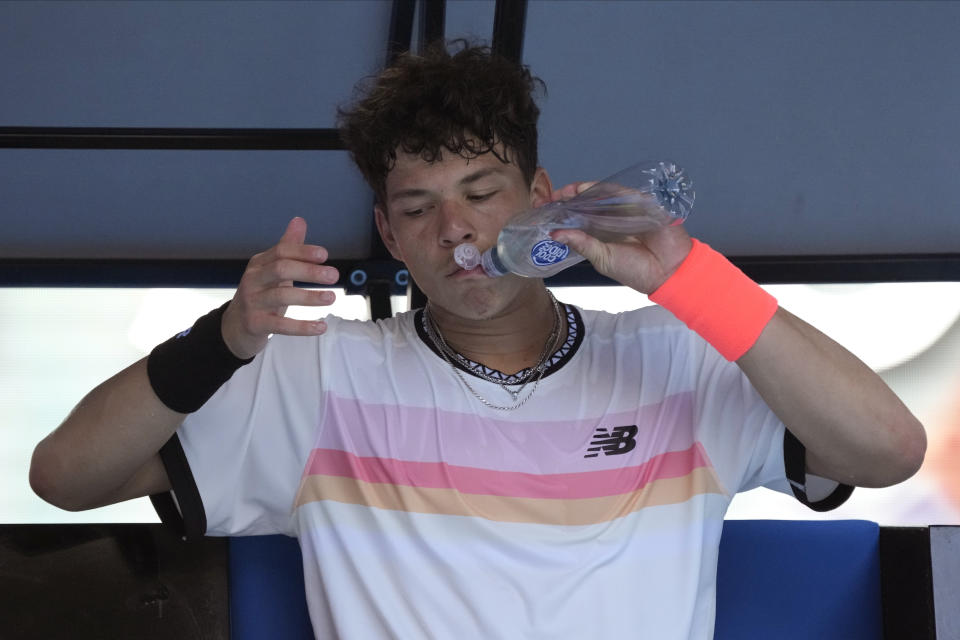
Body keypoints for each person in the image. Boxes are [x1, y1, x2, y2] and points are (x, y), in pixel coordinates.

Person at [30, 41, 925, 639]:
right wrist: (221, 340)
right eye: (419, 208)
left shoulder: (677, 352)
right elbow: (67, 477)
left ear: (539, 192)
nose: (456, 231)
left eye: (484, 192)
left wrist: (692, 282)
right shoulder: (316, 375)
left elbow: (888, 449)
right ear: (388, 234)